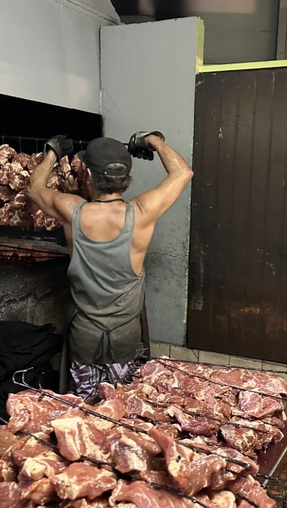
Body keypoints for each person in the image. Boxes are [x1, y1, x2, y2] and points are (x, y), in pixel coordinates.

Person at [26, 131, 193, 401]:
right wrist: (152, 140)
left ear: (89, 175)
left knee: (83, 409)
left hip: (84, 338)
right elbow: (183, 172)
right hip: (125, 338)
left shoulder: (72, 210)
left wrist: (53, 152)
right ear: (125, 178)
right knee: (120, 409)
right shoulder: (142, 212)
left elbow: (34, 188)